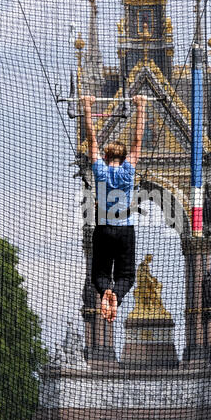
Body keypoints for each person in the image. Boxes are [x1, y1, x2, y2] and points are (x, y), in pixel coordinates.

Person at [81, 95, 147, 322]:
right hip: (125, 229)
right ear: (124, 157)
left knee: (98, 274)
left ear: (106, 156)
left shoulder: (100, 170)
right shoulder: (128, 172)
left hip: (103, 228)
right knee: (127, 276)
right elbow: (138, 140)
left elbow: (92, 141)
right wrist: (141, 106)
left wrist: (87, 107)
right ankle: (116, 295)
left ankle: (104, 292)